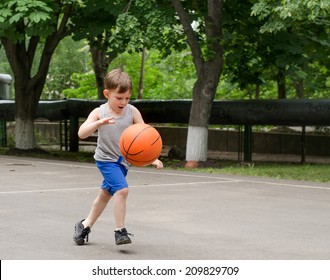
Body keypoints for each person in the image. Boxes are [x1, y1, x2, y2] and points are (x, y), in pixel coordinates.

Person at [73, 68, 163, 246]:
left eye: (127, 98)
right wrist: (97, 123)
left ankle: (84, 225)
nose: (123, 102)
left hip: (123, 162)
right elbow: (81, 133)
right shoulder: (99, 112)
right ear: (107, 94)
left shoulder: (132, 112)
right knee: (122, 190)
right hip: (106, 160)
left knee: (105, 195)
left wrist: (151, 157)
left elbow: (145, 137)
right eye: (119, 98)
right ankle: (119, 231)